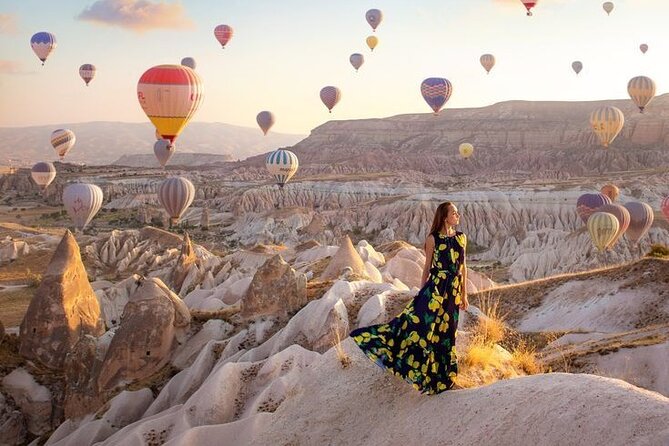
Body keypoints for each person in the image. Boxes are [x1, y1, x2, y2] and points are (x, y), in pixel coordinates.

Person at [350, 201, 469, 394]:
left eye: (457, 213)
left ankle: (445, 378)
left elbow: (463, 268)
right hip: (435, 290)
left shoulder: (461, 238)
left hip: (453, 293)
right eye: (454, 213)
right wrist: (422, 292)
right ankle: (424, 374)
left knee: (448, 335)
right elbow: (427, 267)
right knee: (424, 330)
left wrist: (463, 295)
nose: (458, 216)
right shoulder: (433, 239)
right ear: (444, 216)